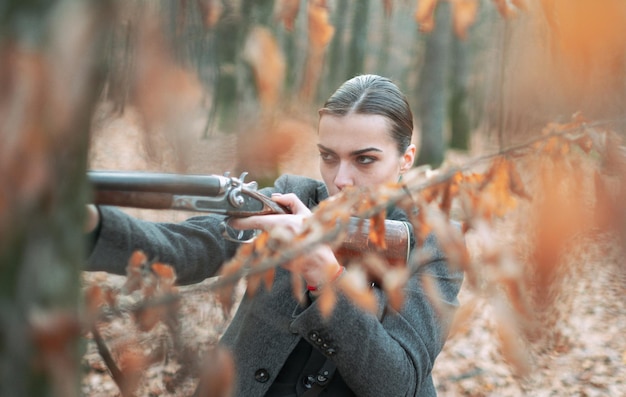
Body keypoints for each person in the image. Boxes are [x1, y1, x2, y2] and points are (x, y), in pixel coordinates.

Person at [85, 74, 464, 396]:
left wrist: (327, 279)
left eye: (364, 159)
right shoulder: (290, 200)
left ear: (406, 158)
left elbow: (399, 383)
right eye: (328, 156)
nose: (341, 179)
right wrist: (92, 225)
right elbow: (188, 250)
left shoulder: (433, 245)